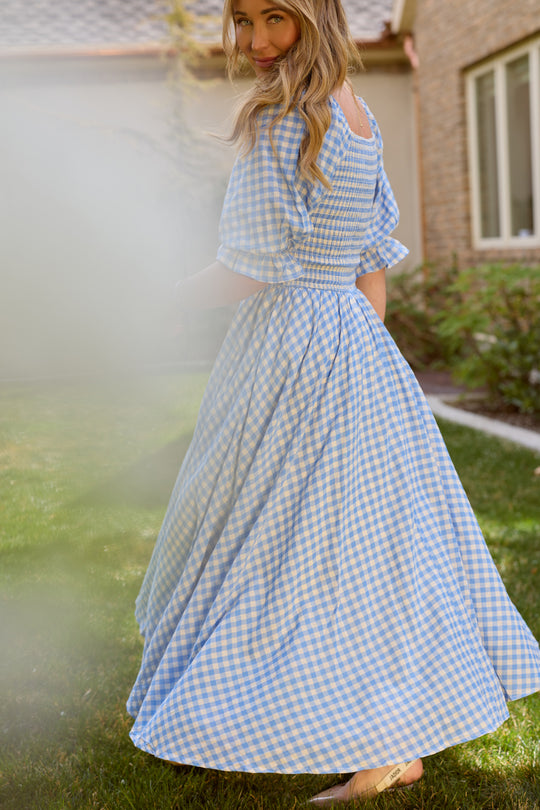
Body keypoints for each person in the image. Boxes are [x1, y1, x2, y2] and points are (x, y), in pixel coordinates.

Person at [127, 0, 540, 803]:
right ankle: (314, 723)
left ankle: (348, 738)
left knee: (264, 535)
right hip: (351, 344)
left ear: (315, 16)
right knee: (342, 545)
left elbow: (255, 266)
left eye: (273, 19)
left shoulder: (286, 117)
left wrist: (163, 299)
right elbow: (371, 268)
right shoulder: (358, 115)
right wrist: (353, 352)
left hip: (288, 345)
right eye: (242, 21)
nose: (253, 41)